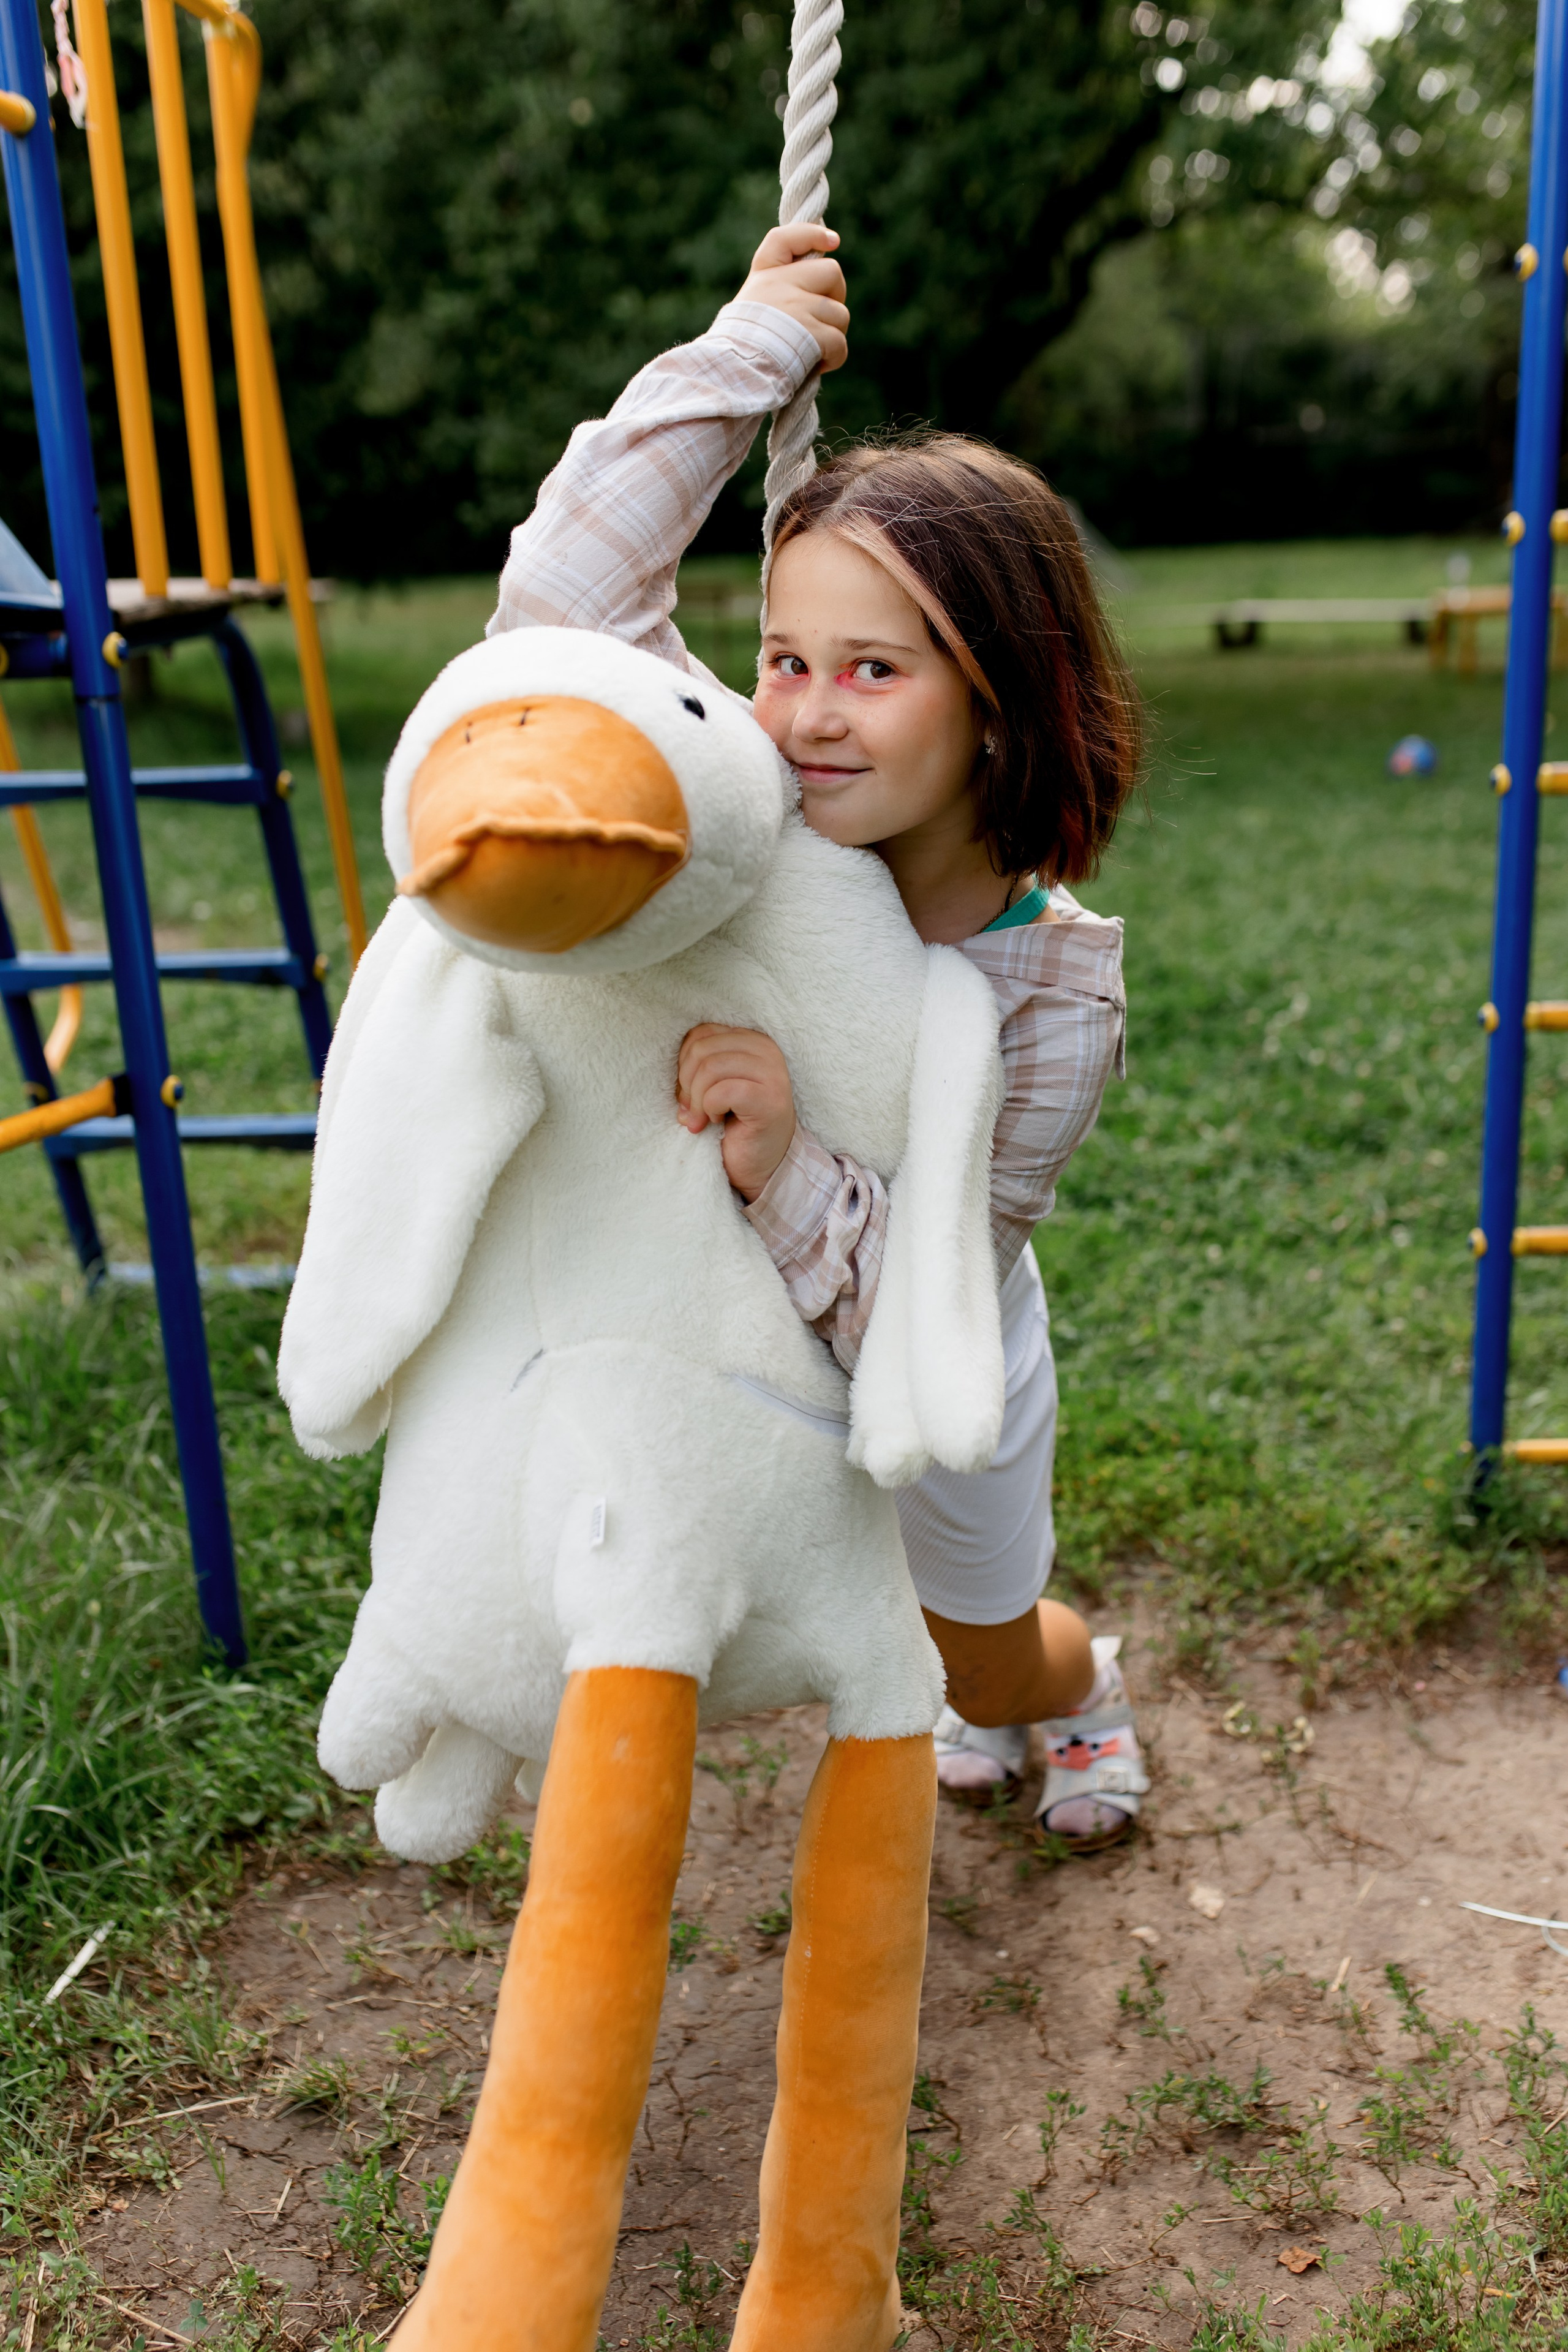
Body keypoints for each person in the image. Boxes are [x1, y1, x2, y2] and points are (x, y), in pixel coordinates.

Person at [491, 221, 1147, 1848]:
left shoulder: (1053, 999)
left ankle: (1084, 1689)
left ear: (1002, 694)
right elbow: (556, 617)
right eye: (784, 659)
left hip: (939, 1367)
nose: (804, 711)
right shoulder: (751, 817)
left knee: (979, 1669)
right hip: (726, 1354)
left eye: (873, 667)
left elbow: (925, 1301)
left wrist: (785, 1166)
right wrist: (745, 356)